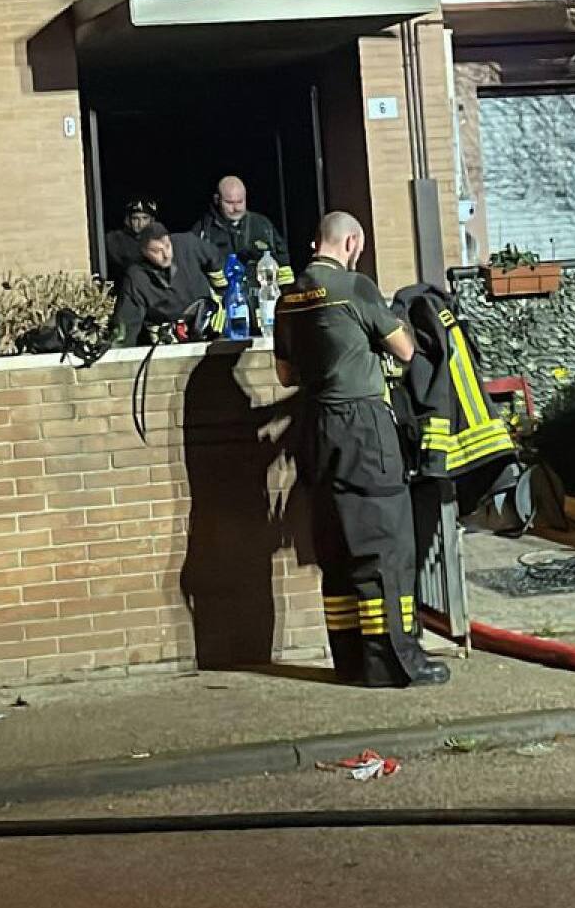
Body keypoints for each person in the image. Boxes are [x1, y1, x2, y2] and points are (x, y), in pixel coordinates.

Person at [273, 211, 449, 690]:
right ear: (351, 242)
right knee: (384, 542)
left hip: (315, 429)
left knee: (337, 544)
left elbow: (285, 376)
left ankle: (351, 659)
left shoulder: (288, 298)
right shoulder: (354, 287)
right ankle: (397, 661)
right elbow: (405, 350)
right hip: (362, 428)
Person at [109, 222, 228, 346]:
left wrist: (222, 293)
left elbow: (215, 260)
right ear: (144, 251)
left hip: (210, 322)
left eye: (167, 246)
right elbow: (126, 325)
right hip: (170, 341)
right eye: (156, 251)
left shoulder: (187, 244)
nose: (166, 255)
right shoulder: (136, 278)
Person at [192, 176, 296, 287]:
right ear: (217, 200)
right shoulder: (203, 231)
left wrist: (285, 291)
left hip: (261, 293)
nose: (236, 208)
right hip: (220, 295)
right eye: (230, 203)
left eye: (240, 201)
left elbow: (283, 263)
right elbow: (191, 271)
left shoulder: (262, 225)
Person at [105, 198, 160, 287]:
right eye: (135, 218)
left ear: (152, 220)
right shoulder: (115, 239)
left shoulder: (160, 240)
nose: (140, 223)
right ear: (127, 220)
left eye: (145, 218)